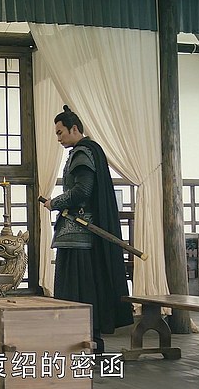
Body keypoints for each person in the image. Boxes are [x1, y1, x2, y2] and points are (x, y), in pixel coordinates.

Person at [42, 105, 133, 353]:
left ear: (74, 129)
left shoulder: (83, 152)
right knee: (80, 287)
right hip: (77, 233)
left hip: (80, 234)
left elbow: (82, 191)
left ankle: (84, 338)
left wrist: (54, 203)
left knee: (79, 288)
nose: (58, 138)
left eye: (60, 132)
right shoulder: (86, 151)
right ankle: (81, 337)